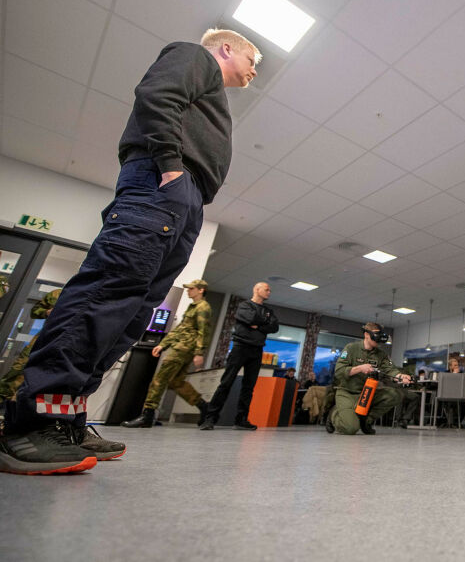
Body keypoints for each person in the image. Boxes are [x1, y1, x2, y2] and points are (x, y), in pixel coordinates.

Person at [0, 28, 260, 476]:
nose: (255, 70)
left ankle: (67, 419)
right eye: (253, 59)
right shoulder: (194, 58)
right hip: (164, 186)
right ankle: (31, 423)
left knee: (132, 310)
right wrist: (171, 168)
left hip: (186, 199)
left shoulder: (213, 90)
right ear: (225, 48)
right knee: (108, 292)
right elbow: (157, 96)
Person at [121, 280, 211, 428]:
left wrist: (200, 352)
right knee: (176, 382)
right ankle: (204, 407)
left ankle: (147, 415)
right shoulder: (193, 307)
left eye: (192, 289)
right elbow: (181, 329)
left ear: (201, 290)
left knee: (160, 379)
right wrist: (163, 344)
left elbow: (204, 331)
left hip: (183, 349)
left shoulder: (203, 307)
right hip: (181, 347)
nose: (188, 291)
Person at [200, 282, 278, 431]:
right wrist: (264, 323)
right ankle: (210, 418)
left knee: (249, 387)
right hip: (240, 347)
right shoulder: (244, 306)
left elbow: (274, 327)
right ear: (256, 289)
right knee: (226, 383)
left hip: (257, 350)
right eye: (266, 289)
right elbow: (251, 319)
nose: (269, 291)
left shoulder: (268, 310)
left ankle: (241, 420)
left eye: (269, 289)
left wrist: (259, 325)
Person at [329, 323, 410, 435]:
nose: (378, 341)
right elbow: (339, 371)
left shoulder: (381, 354)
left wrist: (401, 377)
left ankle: (366, 421)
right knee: (350, 428)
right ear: (366, 335)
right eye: (376, 335)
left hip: (368, 393)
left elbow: (390, 369)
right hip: (347, 392)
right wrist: (359, 368)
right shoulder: (351, 348)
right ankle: (334, 415)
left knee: (395, 395)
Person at [0, 289, 61, 402]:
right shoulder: (58, 294)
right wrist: (46, 312)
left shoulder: (96, 299)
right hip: (43, 340)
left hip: (67, 346)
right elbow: (34, 311)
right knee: (18, 370)